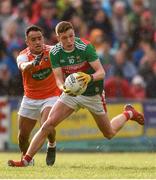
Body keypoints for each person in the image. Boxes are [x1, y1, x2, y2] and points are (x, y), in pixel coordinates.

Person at [8, 21, 144, 167]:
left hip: (92, 93)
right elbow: (59, 80)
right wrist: (64, 88)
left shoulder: (85, 47)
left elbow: (101, 73)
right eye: (64, 38)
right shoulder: (55, 52)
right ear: (58, 38)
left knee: (109, 133)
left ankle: (128, 113)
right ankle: (26, 161)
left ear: (74, 34)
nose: (69, 41)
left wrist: (89, 78)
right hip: (71, 93)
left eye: (71, 36)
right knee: (48, 124)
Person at [9, 25, 61, 166]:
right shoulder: (23, 55)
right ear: (27, 42)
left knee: (46, 125)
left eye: (40, 38)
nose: (38, 42)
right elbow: (22, 66)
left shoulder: (52, 51)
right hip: (30, 98)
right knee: (22, 137)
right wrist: (32, 63)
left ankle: (52, 143)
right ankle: (29, 159)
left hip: (52, 96)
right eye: (33, 39)